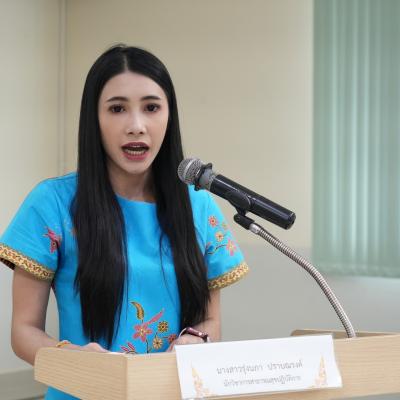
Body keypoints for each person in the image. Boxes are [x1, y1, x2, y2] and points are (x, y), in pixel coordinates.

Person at [0, 45, 249, 399]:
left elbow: (211, 321)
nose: (136, 126)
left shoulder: (199, 206)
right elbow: (23, 332)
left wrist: (197, 339)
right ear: (94, 118)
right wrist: (74, 359)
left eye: (151, 108)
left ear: (169, 116)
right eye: (117, 109)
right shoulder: (51, 203)